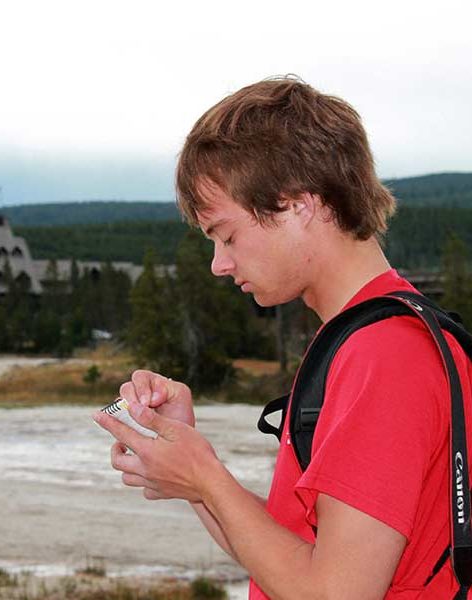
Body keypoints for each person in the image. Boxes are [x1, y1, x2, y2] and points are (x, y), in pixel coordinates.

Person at [93, 76, 472, 599]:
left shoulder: (384, 354)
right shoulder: (364, 338)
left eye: (227, 235)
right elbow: (292, 558)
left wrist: (204, 478)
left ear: (299, 205)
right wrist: (194, 470)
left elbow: (334, 594)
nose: (219, 264)